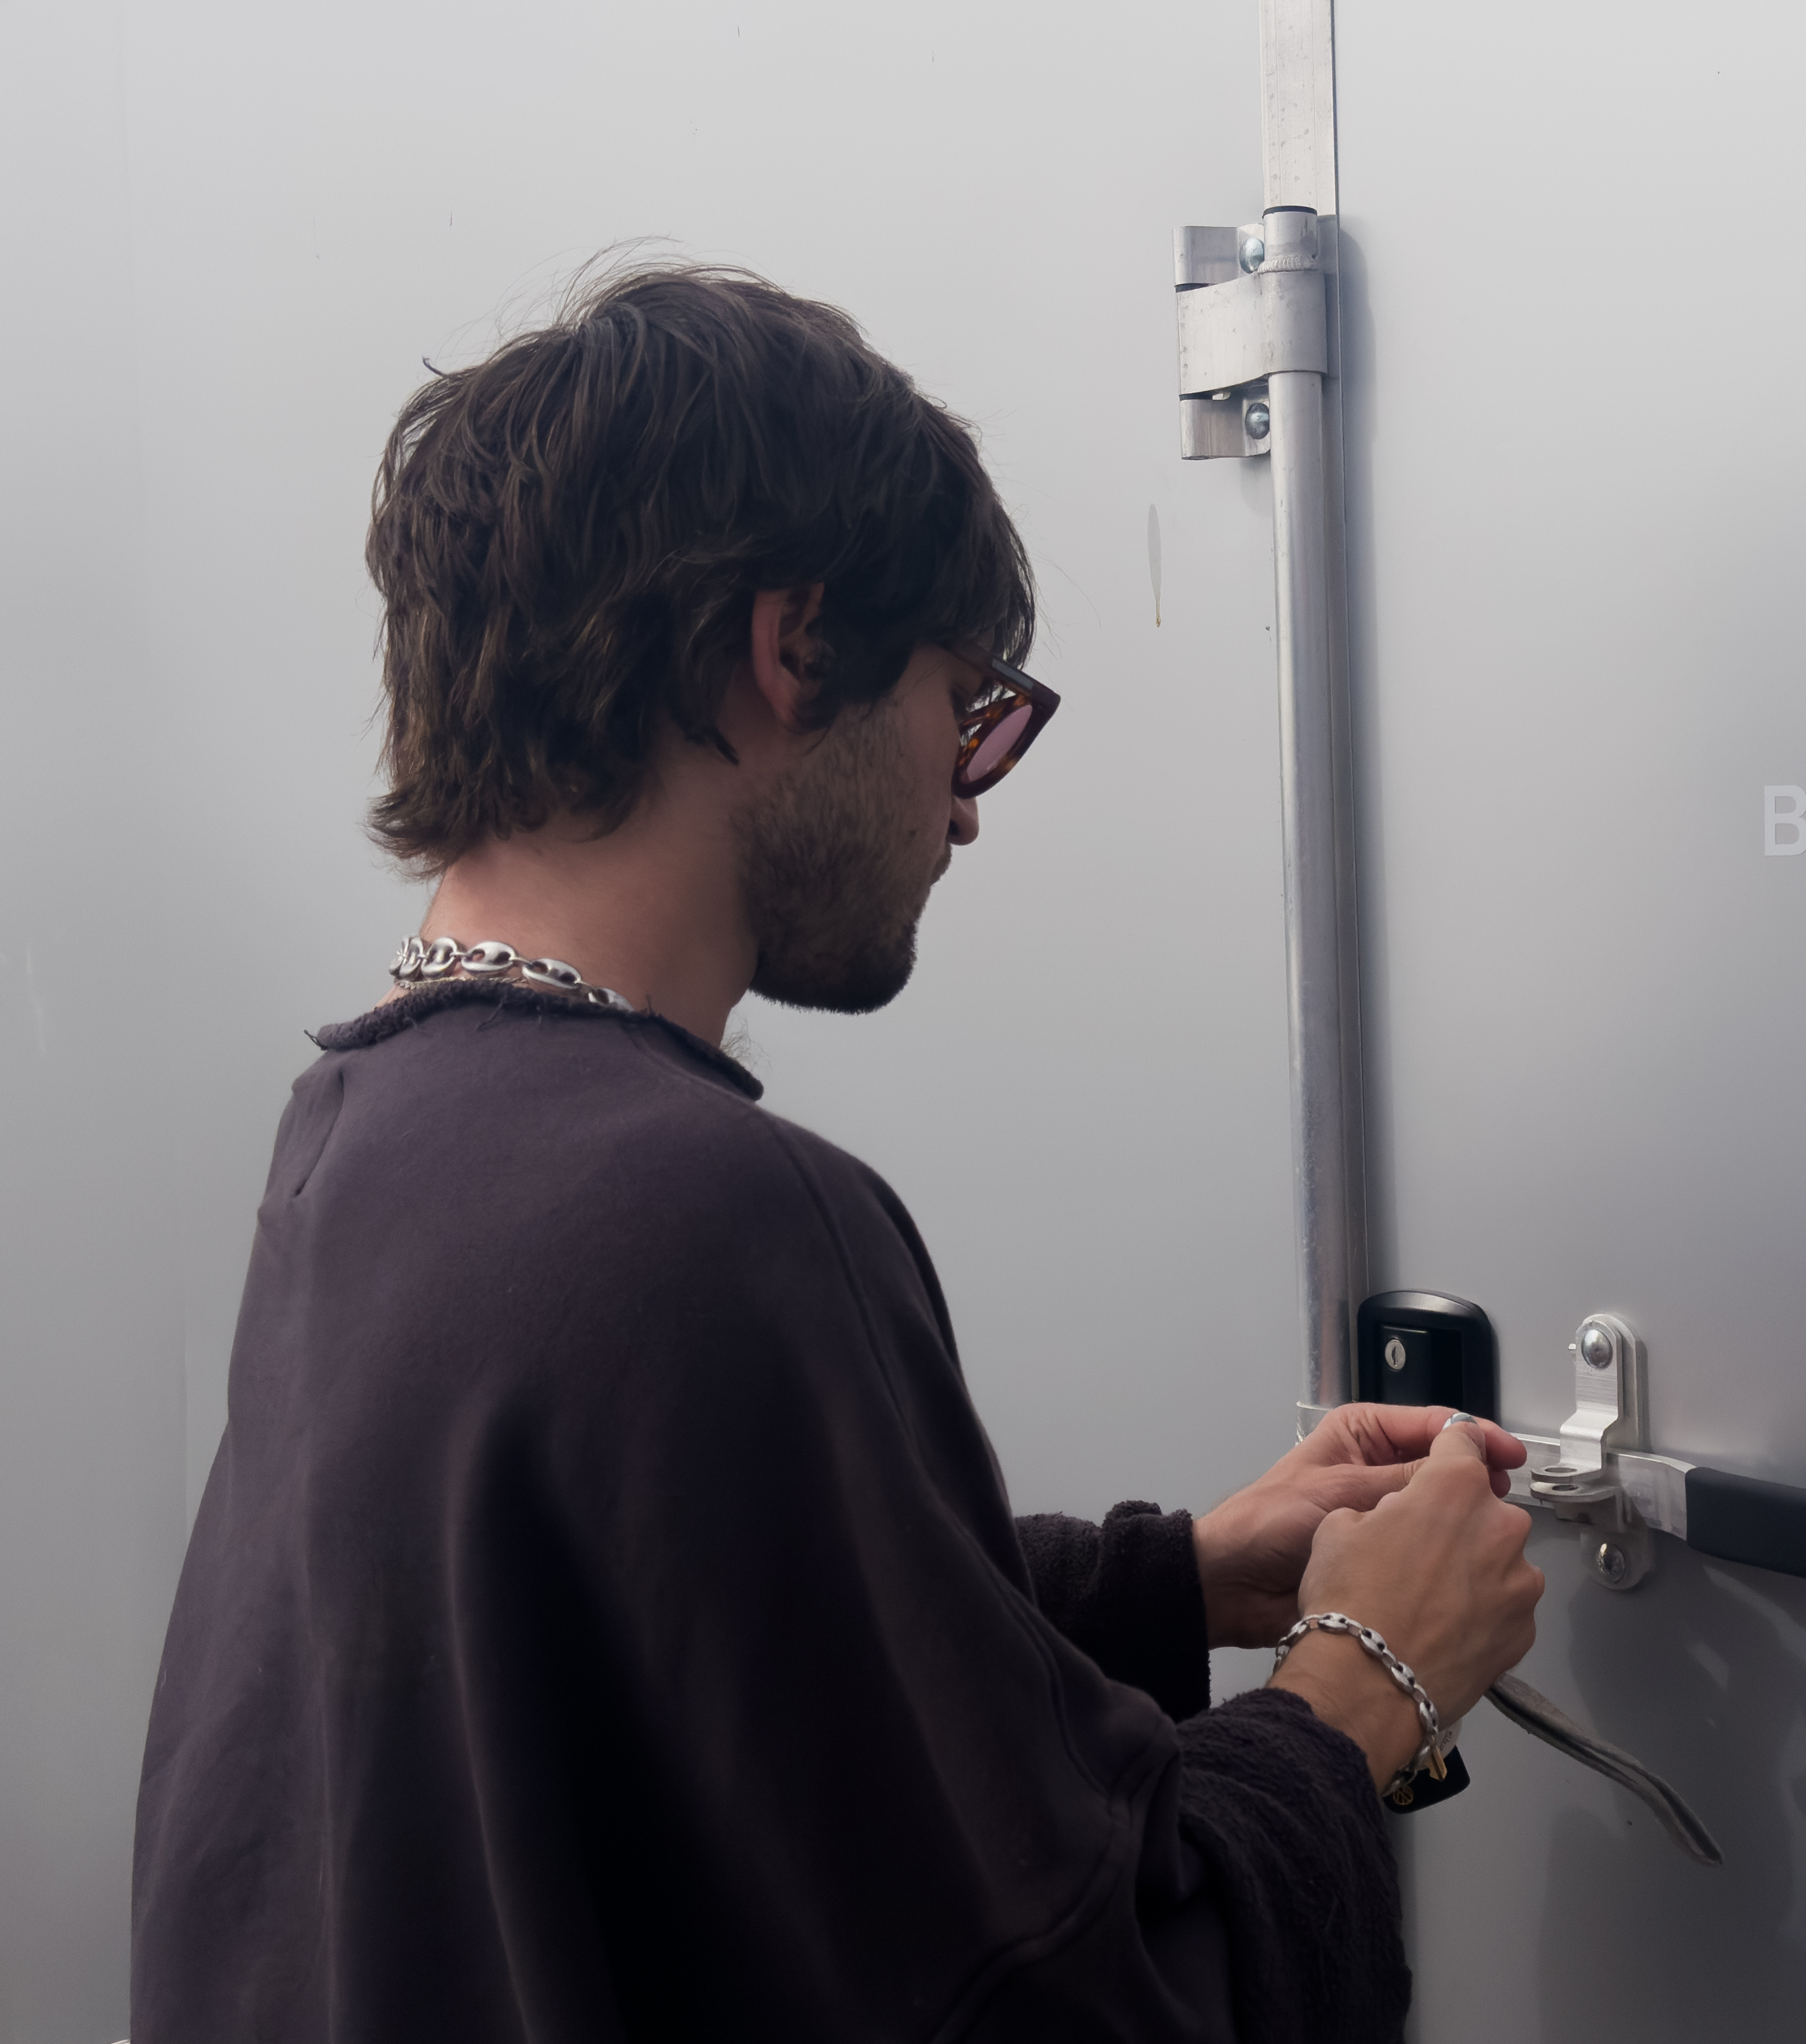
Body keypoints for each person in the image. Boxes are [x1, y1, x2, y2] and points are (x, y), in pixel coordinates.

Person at [129, 263, 1546, 2042]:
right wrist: (1368, 1680)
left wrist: (1172, 1580)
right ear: (794, 648)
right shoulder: (714, 1215)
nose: (965, 801)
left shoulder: (365, 1137)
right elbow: (1086, 2003)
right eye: (967, 704)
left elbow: (680, 1653)